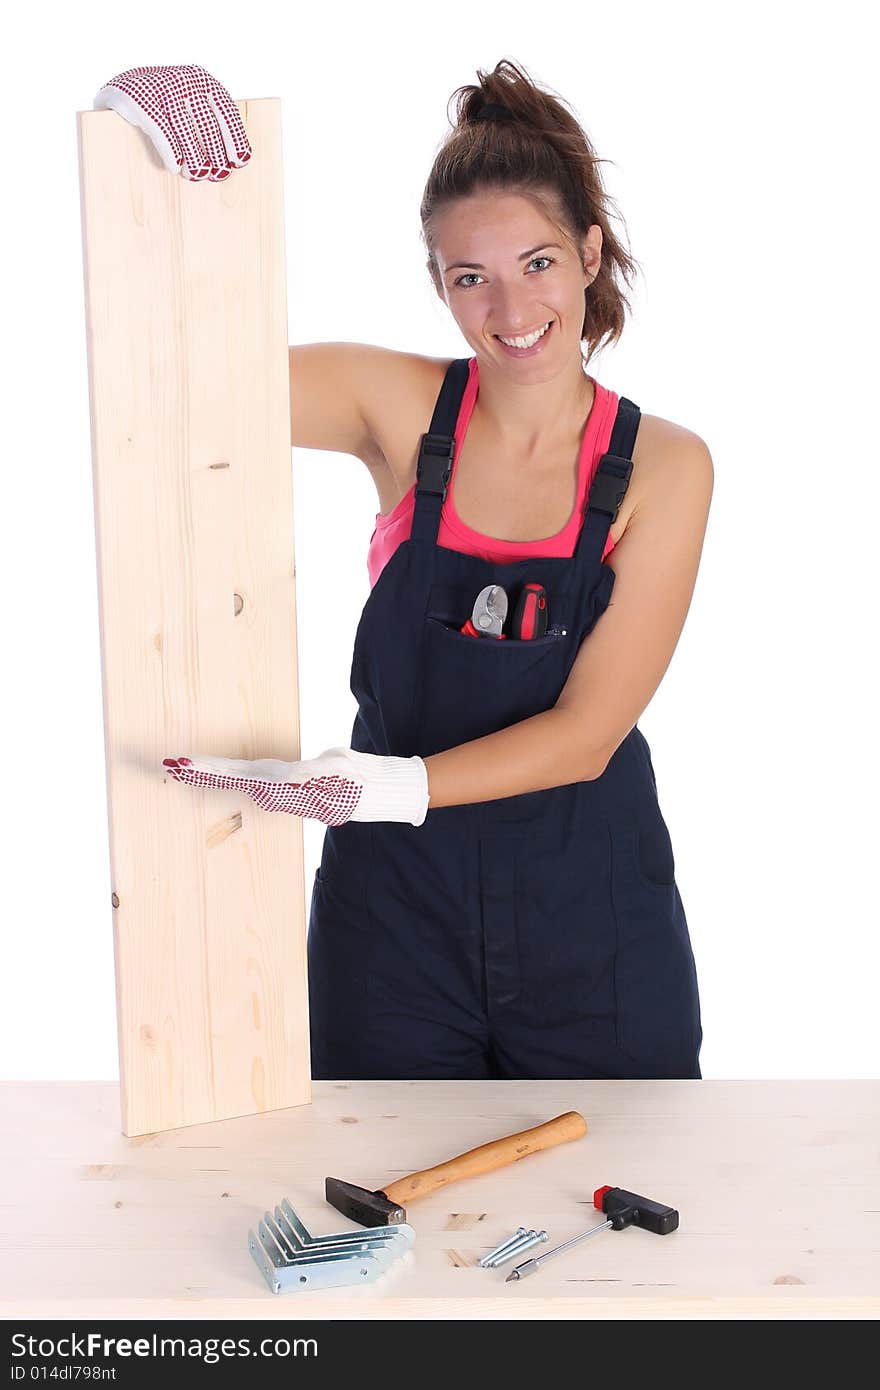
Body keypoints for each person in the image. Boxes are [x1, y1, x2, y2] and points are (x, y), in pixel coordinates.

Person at [96, 58, 713, 1082]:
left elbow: (587, 733)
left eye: (539, 262)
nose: (511, 307)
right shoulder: (395, 407)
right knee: (370, 1210)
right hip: (393, 932)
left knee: (624, 1214)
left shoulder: (665, 467)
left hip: (592, 925)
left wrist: (387, 786)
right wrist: (175, 197)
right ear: (438, 282)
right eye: (470, 276)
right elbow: (186, 380)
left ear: (590, 253)